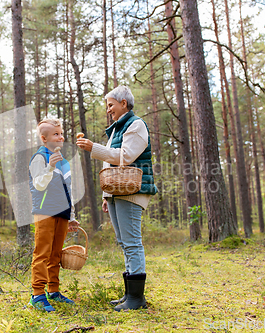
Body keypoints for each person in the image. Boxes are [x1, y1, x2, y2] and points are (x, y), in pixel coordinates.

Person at [76, 86, 158, 311]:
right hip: (116, 192)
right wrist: (106, 195)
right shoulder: (116, 129)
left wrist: (94, 147)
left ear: (124, 103)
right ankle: (130, 294)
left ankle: (137, 299)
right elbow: (109, 164)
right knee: (124, 243)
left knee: (132, 243)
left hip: (131, 192)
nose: (108, 109)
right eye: (107, 106)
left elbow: (126, 157)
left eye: (111, 105)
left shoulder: (136, 125)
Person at [28, 117, 80, 312]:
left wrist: (72, 216)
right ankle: (37, 294)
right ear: (44, 138)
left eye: (61, 133)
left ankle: (54, 291)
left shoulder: (64, 161)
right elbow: (38, 184)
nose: (61, 137)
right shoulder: (39, 158)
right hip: (44, 211)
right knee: (42, 252)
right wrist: (50, 166)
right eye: (56, 134)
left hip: (62, 212)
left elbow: (69, 189)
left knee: (56, 254)